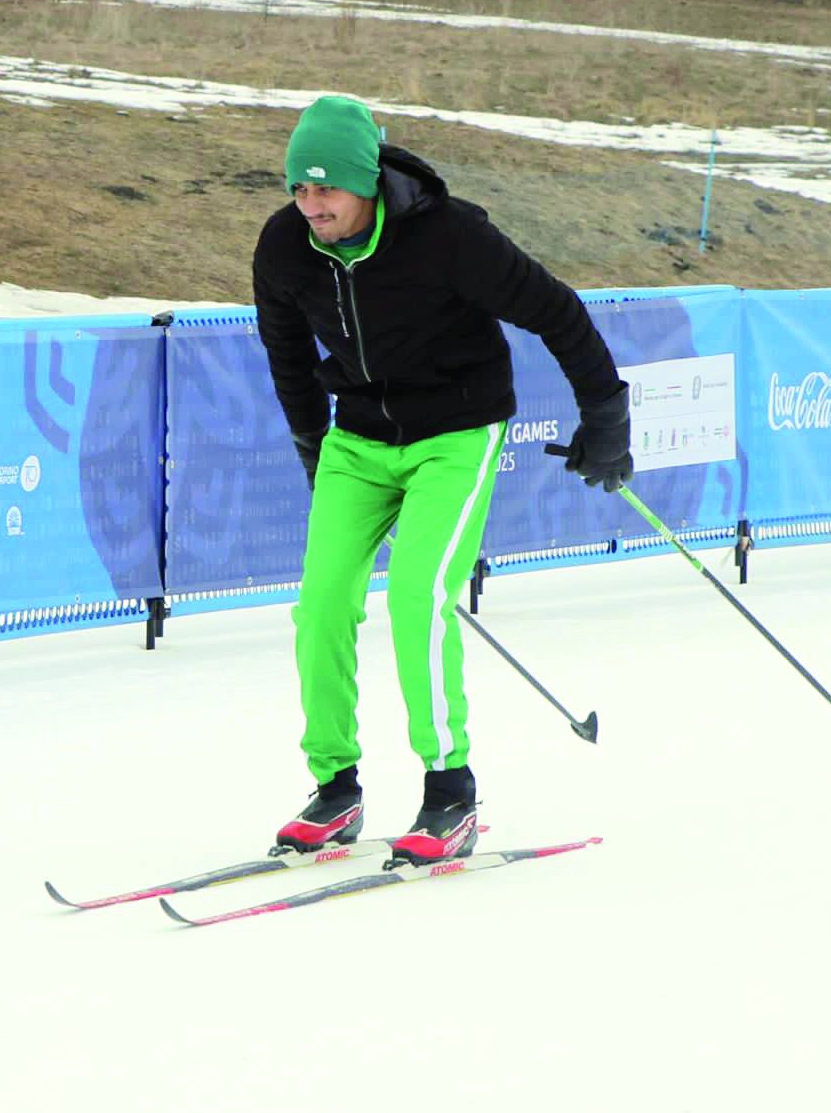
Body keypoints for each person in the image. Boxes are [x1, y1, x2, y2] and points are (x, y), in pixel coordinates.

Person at [252, 95, 632, 866]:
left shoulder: (448, 237)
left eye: (325, 189)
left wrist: (605, 417)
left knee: (418, 599)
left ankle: (449, 791)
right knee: (319, 606)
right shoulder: (284, 247)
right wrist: (309, 445)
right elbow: (286, 356)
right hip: (357, 441)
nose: (310, 205)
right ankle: (335, 786)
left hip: (456, 432)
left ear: (364, 182)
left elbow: (556, 311)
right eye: (299, 188)